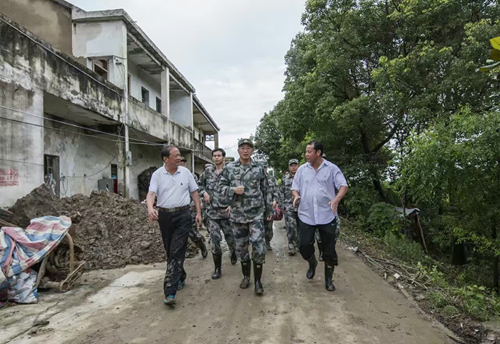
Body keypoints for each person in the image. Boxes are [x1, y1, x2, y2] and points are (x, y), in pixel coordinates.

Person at [147, 145, 202, 306]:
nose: (179, 158)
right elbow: (151, 193)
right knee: (170, 250)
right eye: (176, 155)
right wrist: (150, 208)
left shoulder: (185, 173)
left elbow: (194, 192)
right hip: (164, 216)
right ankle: (180, 276)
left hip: (183, 215)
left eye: (180, 155)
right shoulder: (158, 174)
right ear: (166, 159)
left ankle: (170, 292)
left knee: (177, 250)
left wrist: (198, 213)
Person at [291, 140, 348, 291]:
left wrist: (336, 199)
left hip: (326, 215)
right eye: (306, 151)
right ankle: (312, 263)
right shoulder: (302, 170)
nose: (306, 154)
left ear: (318, 153)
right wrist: (296, 196)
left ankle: (328, 280)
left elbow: (343, 185)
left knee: (329, 250)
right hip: (306, 214)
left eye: (309, 151)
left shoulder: (331, 168)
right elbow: (294, 187)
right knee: (304, 246)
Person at [219, 138, 273, 295]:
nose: (245, 150)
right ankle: (246, 277)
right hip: (237, 215)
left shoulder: (258, 168)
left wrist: (269, 210)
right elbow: (220, 188)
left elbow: (266, 189)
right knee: (241, 248)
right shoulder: (229, 168)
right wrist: (233, 190)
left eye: (248, 148)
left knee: (259, 246)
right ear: (238, 150)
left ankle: (258, 281)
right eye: (242, 147)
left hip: (256, 214)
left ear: (252, 150)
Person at [199, 149, 238, 279]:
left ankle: (233, 252)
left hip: (226, 213)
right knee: (215, 241)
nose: (216, 158)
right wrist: (203, 193)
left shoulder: (230, 172)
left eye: (219, 156)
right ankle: (217, 269)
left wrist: (232, 205)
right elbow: (199, 185)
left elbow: (237, 190)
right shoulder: (207, 172)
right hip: (212, 212)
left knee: (230, 238)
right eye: (214, 156)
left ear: (223, 158)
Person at [180, 156, 208, 259]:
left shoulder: (191, 176)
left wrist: (196, 206)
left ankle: (202, 246)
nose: (180, 164)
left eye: (182, 162)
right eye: (179, 163)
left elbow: (195, 192)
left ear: (185, 164)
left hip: (189, 208)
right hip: (177, 209)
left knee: (192, 232)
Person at [280, 159, 300, 256]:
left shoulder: (303, 177)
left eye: (295, 165)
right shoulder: (285, 178)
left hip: (302, 207)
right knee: (291, 227)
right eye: (291, 165)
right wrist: (282, 206)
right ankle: (291, 246)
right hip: (289, 206)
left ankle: (300, 245)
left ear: (298, 166)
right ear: (289, 167)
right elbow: (282, 192)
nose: (293, 167)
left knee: (301, 227)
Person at [263, 163, 280, 251]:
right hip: (256, 207)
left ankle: (267, 241)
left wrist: (275, 200)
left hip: (269, 207)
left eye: (265, 167)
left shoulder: (272, 179)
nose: (263, 168)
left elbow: (277, 191)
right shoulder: (254, 178)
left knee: (268, 226)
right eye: (262, 167)